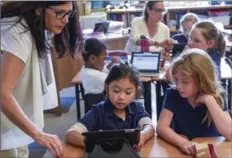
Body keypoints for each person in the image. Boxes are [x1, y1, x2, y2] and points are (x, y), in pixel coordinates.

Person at [0, 1, 83, 157]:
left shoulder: (34, 25)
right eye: (60, 13)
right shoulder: (18, 34)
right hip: (4, 116)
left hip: (12, 114)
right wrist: (38, 134)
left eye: (69, 13)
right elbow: (3, 94)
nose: (65, 20)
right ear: (39, 9)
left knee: (21, 148)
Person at [157, 48, 232, 156]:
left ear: (202, 80)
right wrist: (182, 142)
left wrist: (209, 101)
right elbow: (161, 127)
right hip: (182, 150)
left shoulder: (217, 96)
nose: (179, 86)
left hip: (209, 149)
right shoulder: (173, 94)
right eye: (176, 80)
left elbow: (229, 133)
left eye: (185, 82)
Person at [66, 64, 155, 151]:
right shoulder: (98, 111)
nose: (121, 97)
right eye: (116, 91)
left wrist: (142, 136)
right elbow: (71, 134)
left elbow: (149, 126)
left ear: (136, 91)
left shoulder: (136, 108)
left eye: (128, 92)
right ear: (106, 88)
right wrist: (94, 145)